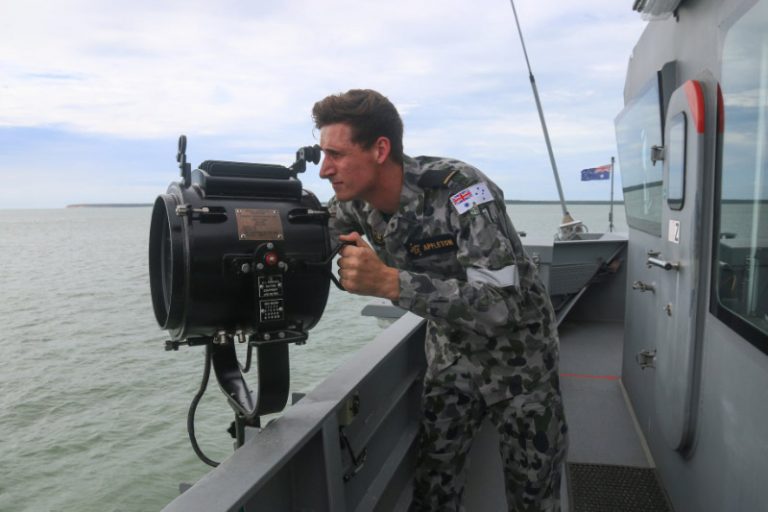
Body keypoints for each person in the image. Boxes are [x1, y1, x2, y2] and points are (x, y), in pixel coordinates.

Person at [312, 88, 567, 511]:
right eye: (323, 155)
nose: (324, 170)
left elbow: (499, 305)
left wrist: (392, 283)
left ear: (380, 149)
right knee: (434, 491)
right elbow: (307, 230)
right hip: (452, 362)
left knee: (533, 496)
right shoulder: (353, 204)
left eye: (336, 154)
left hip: (521, 365)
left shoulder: (461, 190)